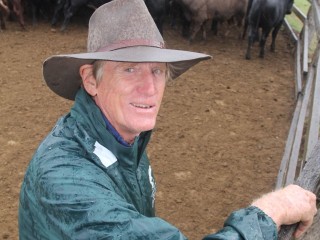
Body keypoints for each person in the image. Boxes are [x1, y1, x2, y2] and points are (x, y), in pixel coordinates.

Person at [18, 0, 317, 239]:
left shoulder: (124, 142)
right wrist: (272, 210)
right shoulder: (62, 179)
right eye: (129, 69)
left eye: (157, 70)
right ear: (91, 81)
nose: (149, 88)